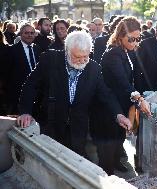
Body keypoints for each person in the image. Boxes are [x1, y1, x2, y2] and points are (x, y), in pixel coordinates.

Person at [17, 31, 132, 159]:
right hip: (51, 124)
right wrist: (25, 111)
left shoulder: (94, 68)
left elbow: (106, 94)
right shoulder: (50, 59)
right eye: (78, 57)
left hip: (78, 128)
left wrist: (119, 115)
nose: (82, 61)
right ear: (67, 51)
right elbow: (30, 85)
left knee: (74, 162)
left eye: (86, 56)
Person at [95, 16, 151, 175]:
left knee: (118, 140)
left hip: (122, 104)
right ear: (120, 36)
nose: (135, 42)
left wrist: (142, 94)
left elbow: (134, 77)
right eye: (131, 39)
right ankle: (107, 176)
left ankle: (115, 163)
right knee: (108, 147)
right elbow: (122, 82)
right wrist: (139, 98)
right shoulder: (113, 54)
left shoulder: (127, 51)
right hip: (108, 108)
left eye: (138, 38)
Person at [6, 23, 40, 115]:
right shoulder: (11, 50)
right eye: (26, 33)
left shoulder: (37, 49)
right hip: (17, 93)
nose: (29, 35)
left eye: (32, 33)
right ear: (21, 34)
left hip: (36, 92)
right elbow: (7, 72)